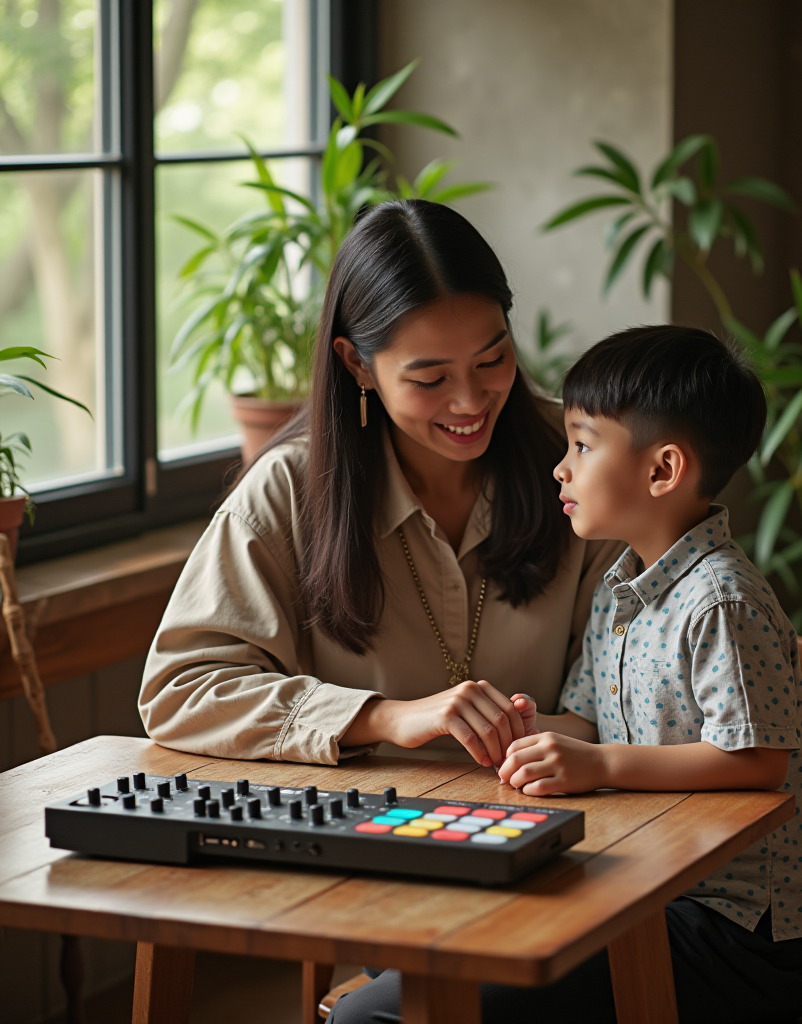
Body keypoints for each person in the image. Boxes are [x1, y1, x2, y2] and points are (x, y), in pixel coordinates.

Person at [332, 326, 802, 1024]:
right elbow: (587, 717)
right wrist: (530, 731)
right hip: (650, 887)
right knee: (401, 945)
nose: (559, 469)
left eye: (582, 444)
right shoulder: (620, 582)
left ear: (662, 470)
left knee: (395, 1004)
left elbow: (756, 760)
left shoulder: (721, 601)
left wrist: (599, 762)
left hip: (743, 933)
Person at [139, 199, 621, 770]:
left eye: (492, 360)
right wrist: (386, 717)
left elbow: (640, 689)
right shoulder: (289, 488)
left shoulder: (584, 461)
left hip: (567, 819)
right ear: (356, 364)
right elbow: (181, 692)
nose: (469, 401)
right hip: (363, 829)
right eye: (431, 377)